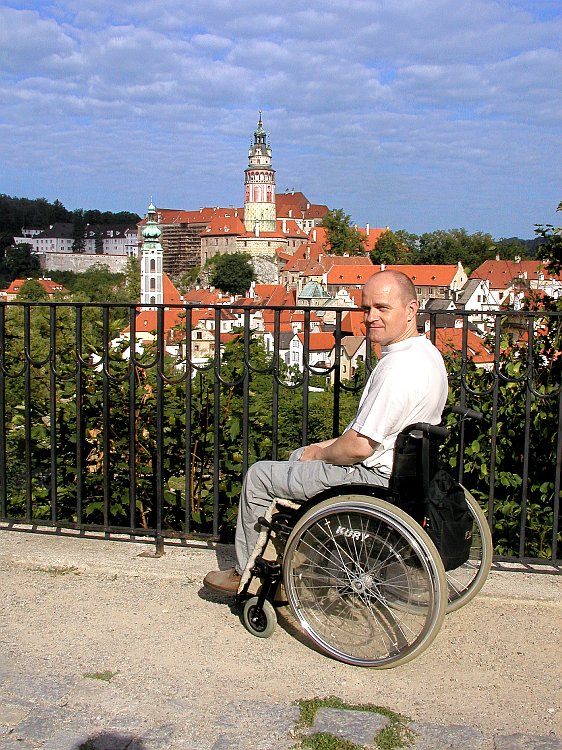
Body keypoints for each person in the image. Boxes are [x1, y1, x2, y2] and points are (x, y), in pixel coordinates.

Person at [203, 269, 448, 594]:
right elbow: (378, 433)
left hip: (373, 478)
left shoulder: (397, 370)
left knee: (260, 476)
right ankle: (295, 561)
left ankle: (251, 575)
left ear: (411, 310)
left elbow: (360, 446)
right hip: (403, 473)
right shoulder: (428, 355)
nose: (370, 317)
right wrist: (320, 446)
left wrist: (319, 452)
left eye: (382, 308)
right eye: (367, 308)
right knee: (296, 459)